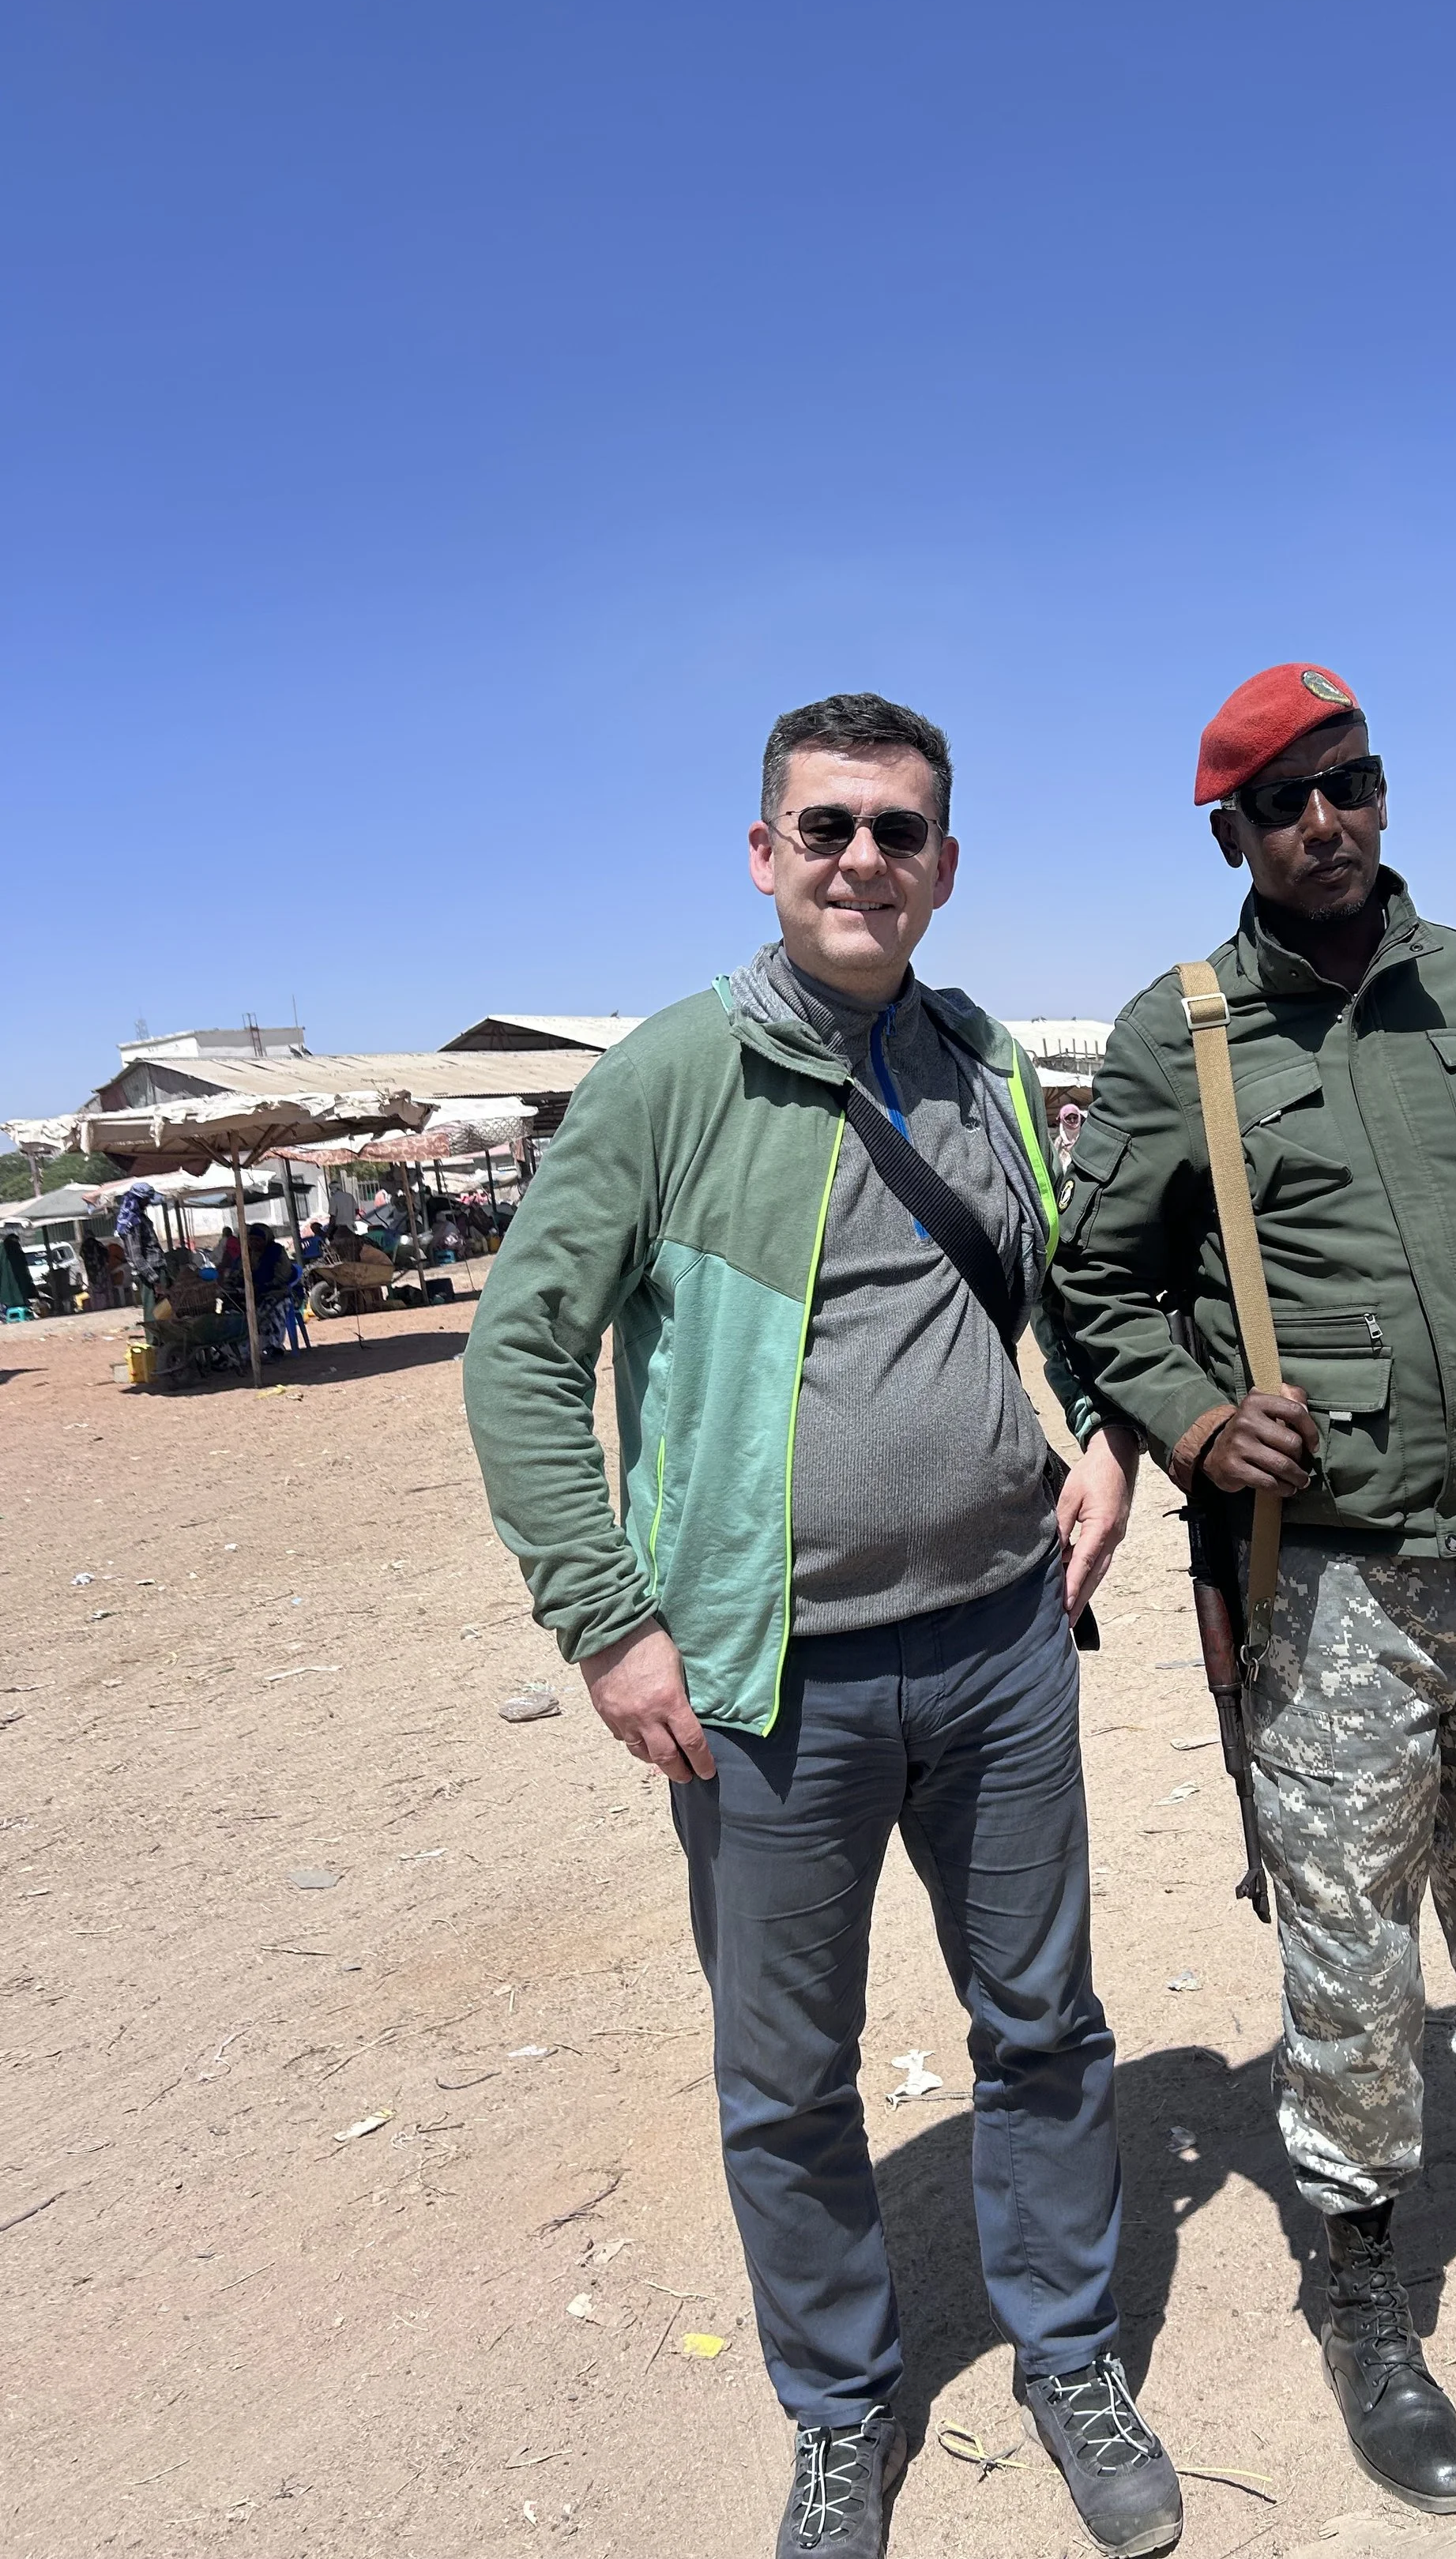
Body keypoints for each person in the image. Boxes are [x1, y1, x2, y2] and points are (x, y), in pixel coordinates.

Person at [463, 692, 1180, 2559]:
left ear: (946, 864)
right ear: (766, 850)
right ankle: (840, 2407)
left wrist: (1098, 1431)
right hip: (763, 1683)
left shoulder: (978, 1061)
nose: (864, 858)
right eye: (828, 825)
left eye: (901, 829)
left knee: (1041, 2023)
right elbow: (518, 1356)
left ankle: (1068, 2354)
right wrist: (606, 1621)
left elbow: (1053, 1291)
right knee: (786, 2077)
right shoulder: (668, 1078)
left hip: (1006, 1644)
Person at [1048, 663, 1456, 2516]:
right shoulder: (1174, 1038)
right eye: (1281, 804)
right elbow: (1088, 1285)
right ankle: (1361, 2298)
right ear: (1230, 838)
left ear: (1378, 790)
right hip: (1325, 1581)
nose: (1322, 823)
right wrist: (1189, 1424)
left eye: (1346, 784)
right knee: (1346, 1946)